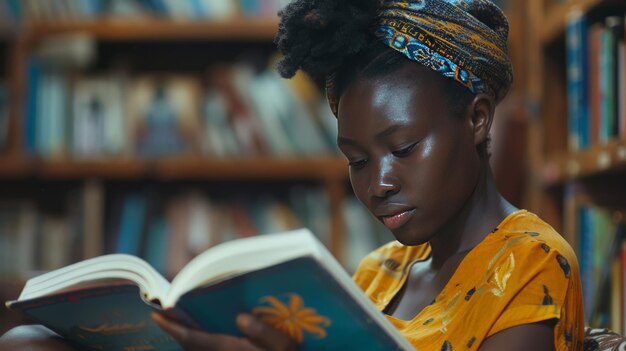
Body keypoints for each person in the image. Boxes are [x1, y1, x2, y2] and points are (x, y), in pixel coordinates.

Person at [0, 0, 585, 350]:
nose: (377, 183)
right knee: (29, 343)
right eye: (356, 160)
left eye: (403, 147)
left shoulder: (532, 261)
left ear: (478, 120)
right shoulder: (377, 273)